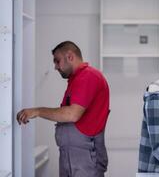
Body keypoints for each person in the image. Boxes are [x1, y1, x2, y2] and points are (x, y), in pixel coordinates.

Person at [17, 41, 110, 177]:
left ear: (70, 57)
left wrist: (37, 111)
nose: (55, 67)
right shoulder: (77, 79)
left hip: (84, 158)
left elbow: (72, 114)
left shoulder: (88, 76)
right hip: (74, 157)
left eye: (57, 61)